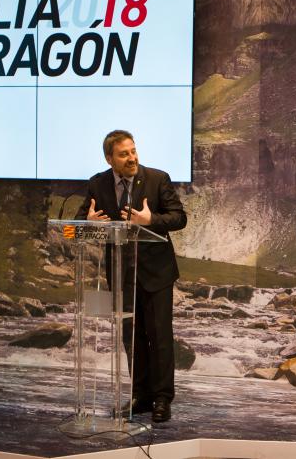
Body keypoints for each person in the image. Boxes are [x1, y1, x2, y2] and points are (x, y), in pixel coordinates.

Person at [75, 130, 187, 423]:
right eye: (124, 154)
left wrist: (152, 220)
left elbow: (179, 217)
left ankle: (162, 398)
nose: (132, 158)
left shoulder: (157, 179)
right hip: (121, 275)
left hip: (157, 274)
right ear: (109, 158)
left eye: (133, 151)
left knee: (159, 337)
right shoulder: (97, 184)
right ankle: (141, 396)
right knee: (131, 337)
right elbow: (74, 225)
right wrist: (86, 223)